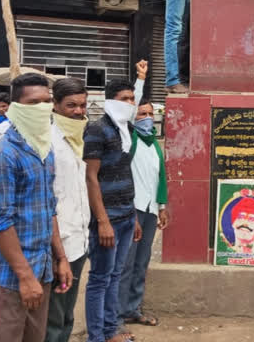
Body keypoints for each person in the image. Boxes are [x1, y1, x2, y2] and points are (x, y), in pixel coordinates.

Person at [0, 72, 73, 342]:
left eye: (47, 101)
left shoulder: (44, 151)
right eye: (34, 103)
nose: (43, 108)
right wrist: (25, 277)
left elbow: (49, 208)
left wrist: (60, 258)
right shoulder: (2, 155)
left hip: (41, 270)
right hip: (11, 278)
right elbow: (1, 222)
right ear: (16, 107)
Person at [84, 77, 143, 342]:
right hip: (107, 219)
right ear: (110, 101)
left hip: (126, 216)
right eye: (124, 99)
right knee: (99, 279)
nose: (130, 104)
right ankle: (96, 336)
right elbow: (91, 177)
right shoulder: (97, 129)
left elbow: (125, 172)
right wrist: (102, 220)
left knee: (115, 275)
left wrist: (133, 216)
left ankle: (110, 330)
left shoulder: (126, 129)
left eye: (132, 99)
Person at [118, 62, 169, 329]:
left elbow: (159, 179)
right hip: (131, 210)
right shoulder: (130, 140)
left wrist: (162, 206)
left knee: (141, 262)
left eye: (149, 113)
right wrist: (140, 79)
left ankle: (133, 308)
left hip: (149, 210)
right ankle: (116, 315)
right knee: (125, 263)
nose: (146, 118)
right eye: (141, 114)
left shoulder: (154, 146)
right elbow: (128, 111)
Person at [45, 78, 90, 342]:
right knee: (54, 316)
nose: (78, 111)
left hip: (80, 240)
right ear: (55, 105)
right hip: (58, 242)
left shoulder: (82, 136)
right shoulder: (48, 140)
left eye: (82, 105)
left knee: (67, 315)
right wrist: (55, 252)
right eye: (71, 105)